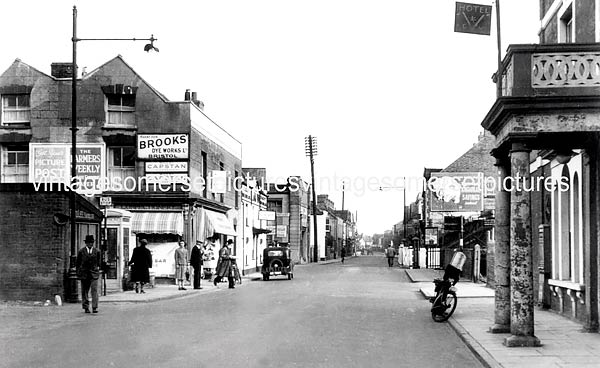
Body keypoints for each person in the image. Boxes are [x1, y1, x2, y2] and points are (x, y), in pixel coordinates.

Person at [76, 235, 101, 314]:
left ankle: (94, 307)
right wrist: (79, 272)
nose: (90, 244)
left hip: (94, 273)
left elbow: (99, 262)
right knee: (85, 291)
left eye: (92, 242)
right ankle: (86, 306)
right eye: (89, 243)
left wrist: (98, 269)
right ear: (86, 243)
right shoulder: (81, 251)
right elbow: (78, 263)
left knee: (94, 290)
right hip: (84, 273)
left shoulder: (97, 251)